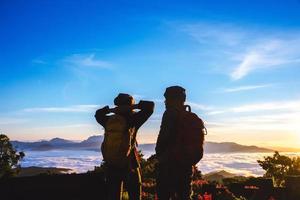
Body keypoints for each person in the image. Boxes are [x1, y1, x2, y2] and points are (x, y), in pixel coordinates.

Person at [95, 93, 154, 200]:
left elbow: (98, 114)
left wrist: (112, 110)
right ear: (129, 105)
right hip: (130, 165)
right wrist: (133, 107)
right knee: (135, 195)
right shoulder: (133, 119)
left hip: (112, 165)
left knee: (113, 196)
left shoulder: (108, 120)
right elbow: (150, 107)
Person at [156, 86, 205, 200]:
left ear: (173, 99)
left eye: (167, 98)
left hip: (169, 165)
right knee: (184, 196)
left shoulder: (169, 114)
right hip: (186, 166)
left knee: (164, 195)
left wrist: (160, 156)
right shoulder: (188, 116)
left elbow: (163, 137)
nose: (165, 102)